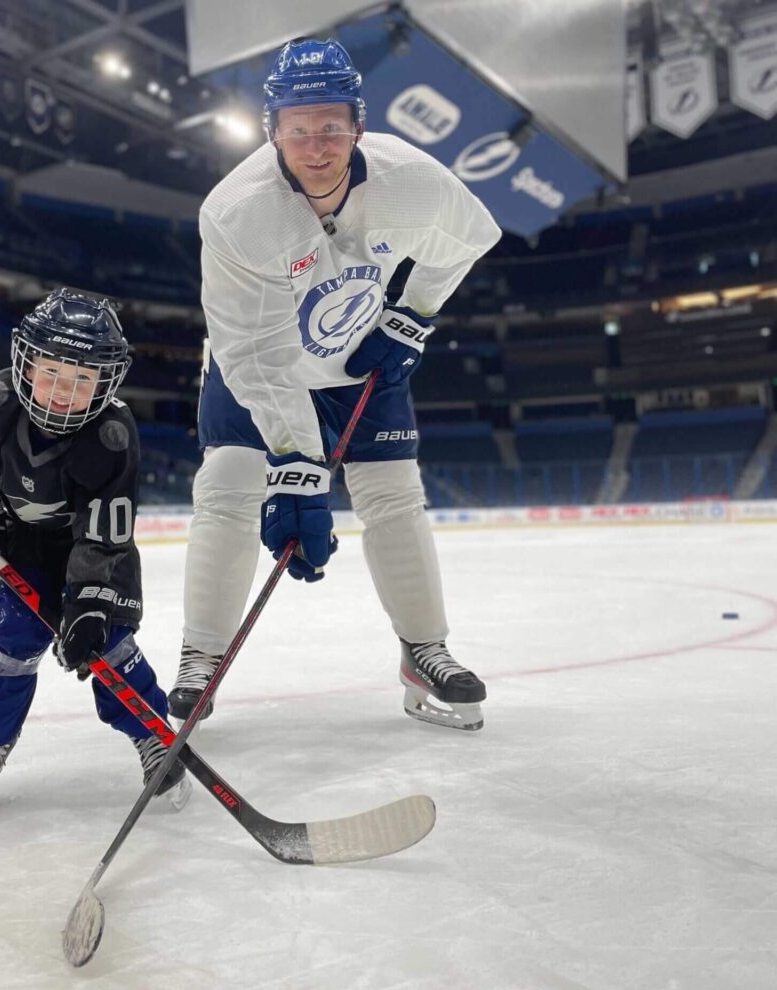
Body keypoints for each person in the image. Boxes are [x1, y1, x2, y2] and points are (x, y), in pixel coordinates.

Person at [169, 38, 501, 732]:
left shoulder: (414, 180)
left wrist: (412, 316)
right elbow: (254, 350)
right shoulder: (235, 212)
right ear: (272, 131)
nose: (316, 145)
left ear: (357, 123)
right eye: (298, 128)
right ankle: (201, 659)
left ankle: (424, 649)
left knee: (395, 497)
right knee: (229, 490)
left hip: (360, 359)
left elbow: (468, 237)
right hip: (259, 363)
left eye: (330, 127)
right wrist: (296, 464)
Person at [0, 288, 190, 813]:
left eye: (82, 380)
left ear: (106, 382)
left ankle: (152, 734)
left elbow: (104, 535)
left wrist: (90, 603)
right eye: (52, 372)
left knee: (109, 645)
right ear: (26, 364)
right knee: (12, 645)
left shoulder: (113, 434)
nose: (62, 391)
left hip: (93, 551)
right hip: (22, 546)